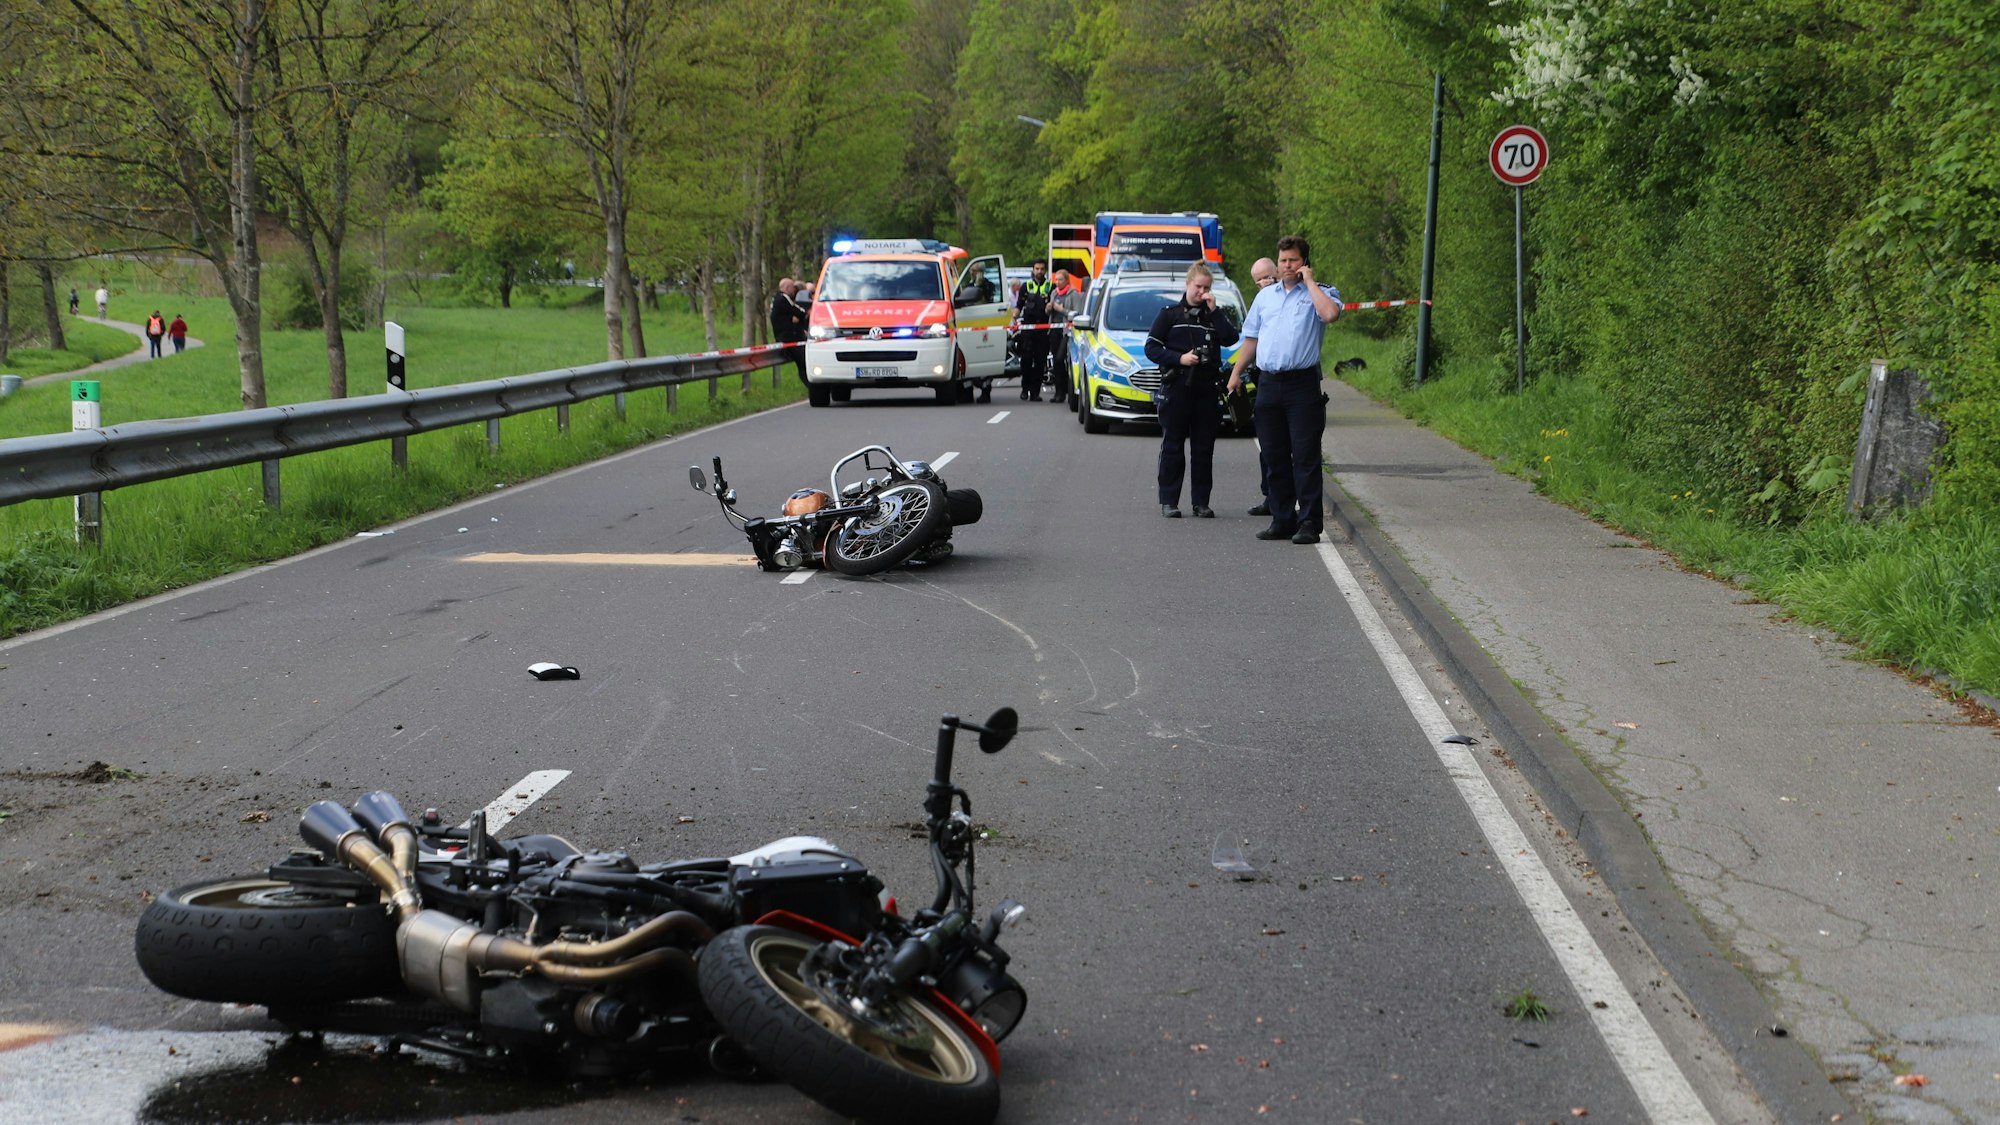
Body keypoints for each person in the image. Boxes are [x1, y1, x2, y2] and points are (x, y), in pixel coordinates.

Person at [1227, 235, 1341, 543]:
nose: (1286, 265)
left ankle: (1309, 523)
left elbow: (1330, 315)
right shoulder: (1266, 297)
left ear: (1304, 261)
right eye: (1282, 260)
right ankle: (1282, 518)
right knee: (1274, 455)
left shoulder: (1322, 292)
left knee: (1305, 456)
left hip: (1302, 385)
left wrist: (1310, 282)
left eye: (1292, 260)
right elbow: (1251, 338)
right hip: (1269, 383)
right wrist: (1236, 373)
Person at [1144, 263, 1240, 518]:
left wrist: (1215, 310)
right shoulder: (1169, 314)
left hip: (1206, 390)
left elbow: (1231, 338)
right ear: (1187, 285)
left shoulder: (1213, 315)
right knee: (1173, 445)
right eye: (1198, 286)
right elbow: (1151, 348)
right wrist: (1180, 358)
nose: (1202, 292)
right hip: (1177, 387)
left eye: (1207, 287)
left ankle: (1201, 502)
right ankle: (1169, 501)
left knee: (1203, 448)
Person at [1241, 257, 1280, 517]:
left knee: (1295, 449)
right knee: (1268, 444)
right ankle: (1270, 497)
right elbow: (1250, 338)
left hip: (1296, 380)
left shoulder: (1293, 296)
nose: (1264, 282)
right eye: (1259, 281)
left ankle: (1290, 501)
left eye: (1267, 276)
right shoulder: (1261, 303)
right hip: (1265, 379)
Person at [1012, 259, 1055, 401]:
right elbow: (1019, 306)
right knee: (1026, 361)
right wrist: (1014, 315)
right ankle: (1025, 389)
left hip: (1043, 330)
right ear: (1033, 269)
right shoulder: (1026, 286)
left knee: (1040, 361)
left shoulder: (1051, 286)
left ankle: (1035, 392)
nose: (1039, 271)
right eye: (1037, 269)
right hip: (1028, 329)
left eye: (1042, 269)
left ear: (1045, 270)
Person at [1048, 269, 1085, 404]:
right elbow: (1050, 313)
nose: (1057, 282)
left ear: (1067, 280)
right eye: (1056, 280)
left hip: (1066, 331)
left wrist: (1061, 309)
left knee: (1060, 359)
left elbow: (1076, 313)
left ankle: (1066, 389)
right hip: (1053, 330)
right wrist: (1049, 308)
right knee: (1056, 363)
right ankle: (1059, 392)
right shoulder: (1053, 293)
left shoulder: (1073, 294)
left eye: (1060, 280)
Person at [768, 277, 809, 388]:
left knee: (803, 363)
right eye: (792, 287)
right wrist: (799, 315)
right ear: (787, 287)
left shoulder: (776, 298)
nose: (794, 290)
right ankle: (813, 387)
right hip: (789, 338)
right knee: (804, 363)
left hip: (782, 336)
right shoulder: (784, 298)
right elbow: (799, 311)